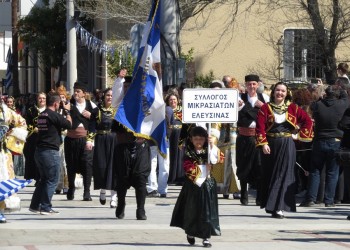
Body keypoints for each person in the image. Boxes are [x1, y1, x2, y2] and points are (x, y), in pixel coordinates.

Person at [256, 82, 313, 218]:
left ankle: (279, 207)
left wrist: (299, 134)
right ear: (274, 92)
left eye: (283, 91)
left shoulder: (293, 108)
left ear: (287, 93)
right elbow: (260, 127)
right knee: (270, 174)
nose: (280, 93)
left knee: (283, 174)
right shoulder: (265, 108)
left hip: (287, 144)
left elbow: (308, 121)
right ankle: (271, 205)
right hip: (270, 145)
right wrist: (263, 144)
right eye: (278, 90)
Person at [170, 126, 222, 247]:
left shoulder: (208, 150)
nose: (198, 142)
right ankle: (191, 232)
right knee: (192, 210)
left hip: (208, 186)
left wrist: (212, 145)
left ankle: (206, 237)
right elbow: (188, 167)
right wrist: (204, 168)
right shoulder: (188, 152)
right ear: (191, 139)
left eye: (201, 139)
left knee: (207, 212)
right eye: (196, 139)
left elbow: (219, 158)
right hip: (193, 186)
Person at [300, 85, 348, 207]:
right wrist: (342, 91)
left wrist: (322, 97)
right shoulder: (342, 104)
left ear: (325, 94)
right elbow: (346, 98)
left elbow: (314, 104)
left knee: (315, 171)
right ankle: (329, 200)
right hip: (336, 140)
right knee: (333, 172)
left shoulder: (317, 105)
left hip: (319, 140)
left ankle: (310, 198)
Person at [113, 76, 151, 220]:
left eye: (130, 87)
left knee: (140, 179)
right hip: (123, 148)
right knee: (122, 180)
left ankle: (140, 210)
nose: (128, 89)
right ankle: (121, 205)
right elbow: (115, 129)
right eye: (125, 87)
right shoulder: (119, 106)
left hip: (140, 147)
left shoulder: (143, 105)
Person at [29, 93, 72, 215]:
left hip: (39, 151)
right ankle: (46, 207)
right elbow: (69, 125)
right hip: (50, 151)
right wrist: (67, 112)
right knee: (52, 179)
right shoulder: (54, 115)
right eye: (59, 103)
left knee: (44, 179)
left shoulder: (42, 114)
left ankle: (34, 206)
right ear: (56, 103)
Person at [236, 74, 269, 205]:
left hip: (258, 137)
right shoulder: (239, 98)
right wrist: (245, 108)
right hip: (244, 137)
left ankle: (260, 197)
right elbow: (236, 115)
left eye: (254, 84)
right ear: (246, 85)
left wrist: (262, 107)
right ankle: (243, 195)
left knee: (259, 166)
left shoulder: (264, 98)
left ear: (258, 85)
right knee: (243, 165)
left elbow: (270, 115)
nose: (252, 86)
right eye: (249, 84)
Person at [64, 82, 98, 201]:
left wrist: (91, 116)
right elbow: (63, 121)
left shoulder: (92, 106)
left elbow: (96, 123)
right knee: (71, 165)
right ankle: (71, 188)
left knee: (87, 165)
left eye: (78, 91)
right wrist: (66, 111)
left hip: (86, 140)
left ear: (84, 94)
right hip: (71, 140)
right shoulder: (69, 105)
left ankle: (87, 192)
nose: (76, 93)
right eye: (75, 91)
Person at [0, 94, 27, 223]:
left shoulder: (7, 112)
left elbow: (22, 123)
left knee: (3, 182)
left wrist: (10, 136)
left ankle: (0, 210)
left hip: (2, 153)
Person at [92, 88, 118, 207]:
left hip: (113, 139)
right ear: (104, 97)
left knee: (113, 167)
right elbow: (92, 126)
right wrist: (89, 139)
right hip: (100, 139)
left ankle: (114, 197)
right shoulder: (97, 110)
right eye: (108, 95)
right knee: (101, 166)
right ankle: (102, 190)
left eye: (112, 96)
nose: (110, 97)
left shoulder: (117, 110)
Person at [147, 105, 174, 197]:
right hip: (152, 141)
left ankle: (162, 190)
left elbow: (172, 125)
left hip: (164, 141)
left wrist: (167, 136)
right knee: (151, 165)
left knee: (165, 167)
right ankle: (152, 188)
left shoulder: (169, 110)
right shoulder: (148, 109)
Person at [23, 92, 47, 183]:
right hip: (34, 137)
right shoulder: (31, 110)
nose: (42, 100)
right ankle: (37, 177)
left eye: (44, 98)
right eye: (40, 98)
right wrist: (34, 128)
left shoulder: (49, 110)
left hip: (46, 137)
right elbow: (26, 123)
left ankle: (43, 176)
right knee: (34, 157)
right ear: (37, 99)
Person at [166, 92, 185, 185]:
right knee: (171, 155)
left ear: (178, 101)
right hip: (170, 136)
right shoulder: (166, 111)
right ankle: (171, 177)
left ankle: (180, 178)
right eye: (171, 99)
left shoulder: (183, 111)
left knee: (180, 155)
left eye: (174, 99)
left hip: (181, 136)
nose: (173, 101)